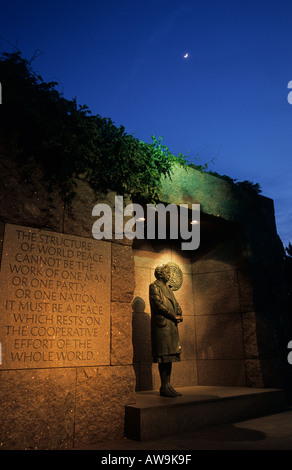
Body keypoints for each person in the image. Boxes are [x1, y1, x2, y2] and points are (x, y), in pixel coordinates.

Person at [149, 263, 183, 397]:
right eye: (167, 273)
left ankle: (168, 385)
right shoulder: (154, 286)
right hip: (162, 326)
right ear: (160, 274)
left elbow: (175, 302)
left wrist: (179, 310)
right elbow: (157, 305)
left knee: (169, 357)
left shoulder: (168, 288)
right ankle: (164, 386)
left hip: (171, 325)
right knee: (163, 357)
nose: (169, 275)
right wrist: (172, 315)